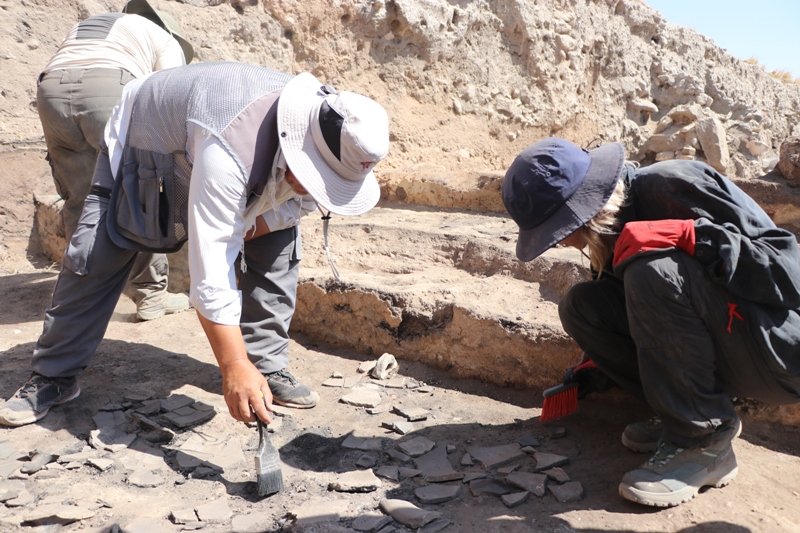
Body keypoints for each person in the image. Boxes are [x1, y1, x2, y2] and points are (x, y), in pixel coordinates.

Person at [0, 61, 390, 427]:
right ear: (300, 146)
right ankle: (54, 374)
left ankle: (267, 365)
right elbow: (211, 273)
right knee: (100, 247)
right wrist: (232, 363)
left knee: (279, 247)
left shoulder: (335, 136)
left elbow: (296, 206)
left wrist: (247, 227)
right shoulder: (229, 145)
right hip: (148, 139)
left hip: (214, 145)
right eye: (316, 175)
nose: (316, 186)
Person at [502, 137, 800, 507]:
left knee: (653, 271)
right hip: (731, 342)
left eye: (561, 230)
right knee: (582, 306)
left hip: (780, 352)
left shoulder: (672, 184)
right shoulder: (609, 224)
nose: (562, 243)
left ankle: (703, 442)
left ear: (588, 202)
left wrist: (693, 237)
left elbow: (792, 274)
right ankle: (678, 411)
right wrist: (602, 358)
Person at [36, 0, 194, 321]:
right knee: (141, 192)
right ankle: (150, 295)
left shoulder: (100, 26)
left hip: (50, 91)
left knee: (79, 198)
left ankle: (78, 297)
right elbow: (169, 95)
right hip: (108, 88)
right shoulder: (164, 40)